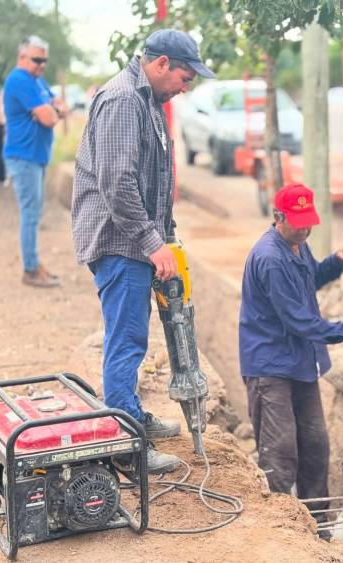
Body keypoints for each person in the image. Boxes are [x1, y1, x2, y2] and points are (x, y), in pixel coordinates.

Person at [71, 29, 215, 474]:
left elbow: (152, 179)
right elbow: (117, 185)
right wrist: (153, 243)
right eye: (185, 76)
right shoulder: (121, 101)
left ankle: (130, 415)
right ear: (160, 65)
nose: (187, 86)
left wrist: (167, 237)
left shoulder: (148, 101)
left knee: (132, 335)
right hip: (119, 242)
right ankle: (124, 447)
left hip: (134, 239)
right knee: (127, 340)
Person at [239, 183, 343, 529]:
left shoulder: (297, 244)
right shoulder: (270, 258)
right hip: (270, 367)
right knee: (280, 452)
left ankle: (319, 525)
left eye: (307, 221)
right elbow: (298, 320)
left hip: (299, 362)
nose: (304, 228)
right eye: (297, 222)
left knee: (315, 446)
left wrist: (336, 263)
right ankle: (282, 531)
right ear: (278, 216)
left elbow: (310, 278)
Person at [3, 35, 67, 288]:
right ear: (22, 57)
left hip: (36, 156)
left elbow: (58, 107)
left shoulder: (37, 80)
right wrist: (53, 111)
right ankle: (30, 269)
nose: (41, 65)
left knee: (34, 212)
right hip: (24, 156)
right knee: (30, 213)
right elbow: (50, 118)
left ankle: (34, 264)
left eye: (44, 61)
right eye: (36, 60)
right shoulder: (20, 80)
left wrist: (54, 109)